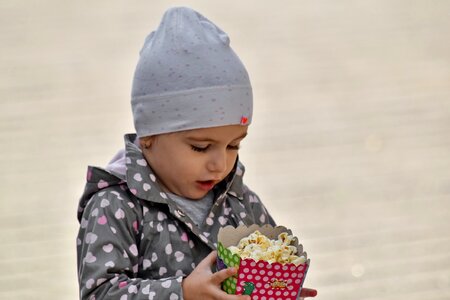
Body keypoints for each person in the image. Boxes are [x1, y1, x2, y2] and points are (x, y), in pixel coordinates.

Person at [76, 6, 317, 300]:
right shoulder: (116, 206)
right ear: (149, 135)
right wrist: (183, 292)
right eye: (200, 147)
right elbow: (99, 293)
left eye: (233, 145)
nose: (220, 164)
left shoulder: (240, 202)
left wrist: (277, 288)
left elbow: (258, 274)